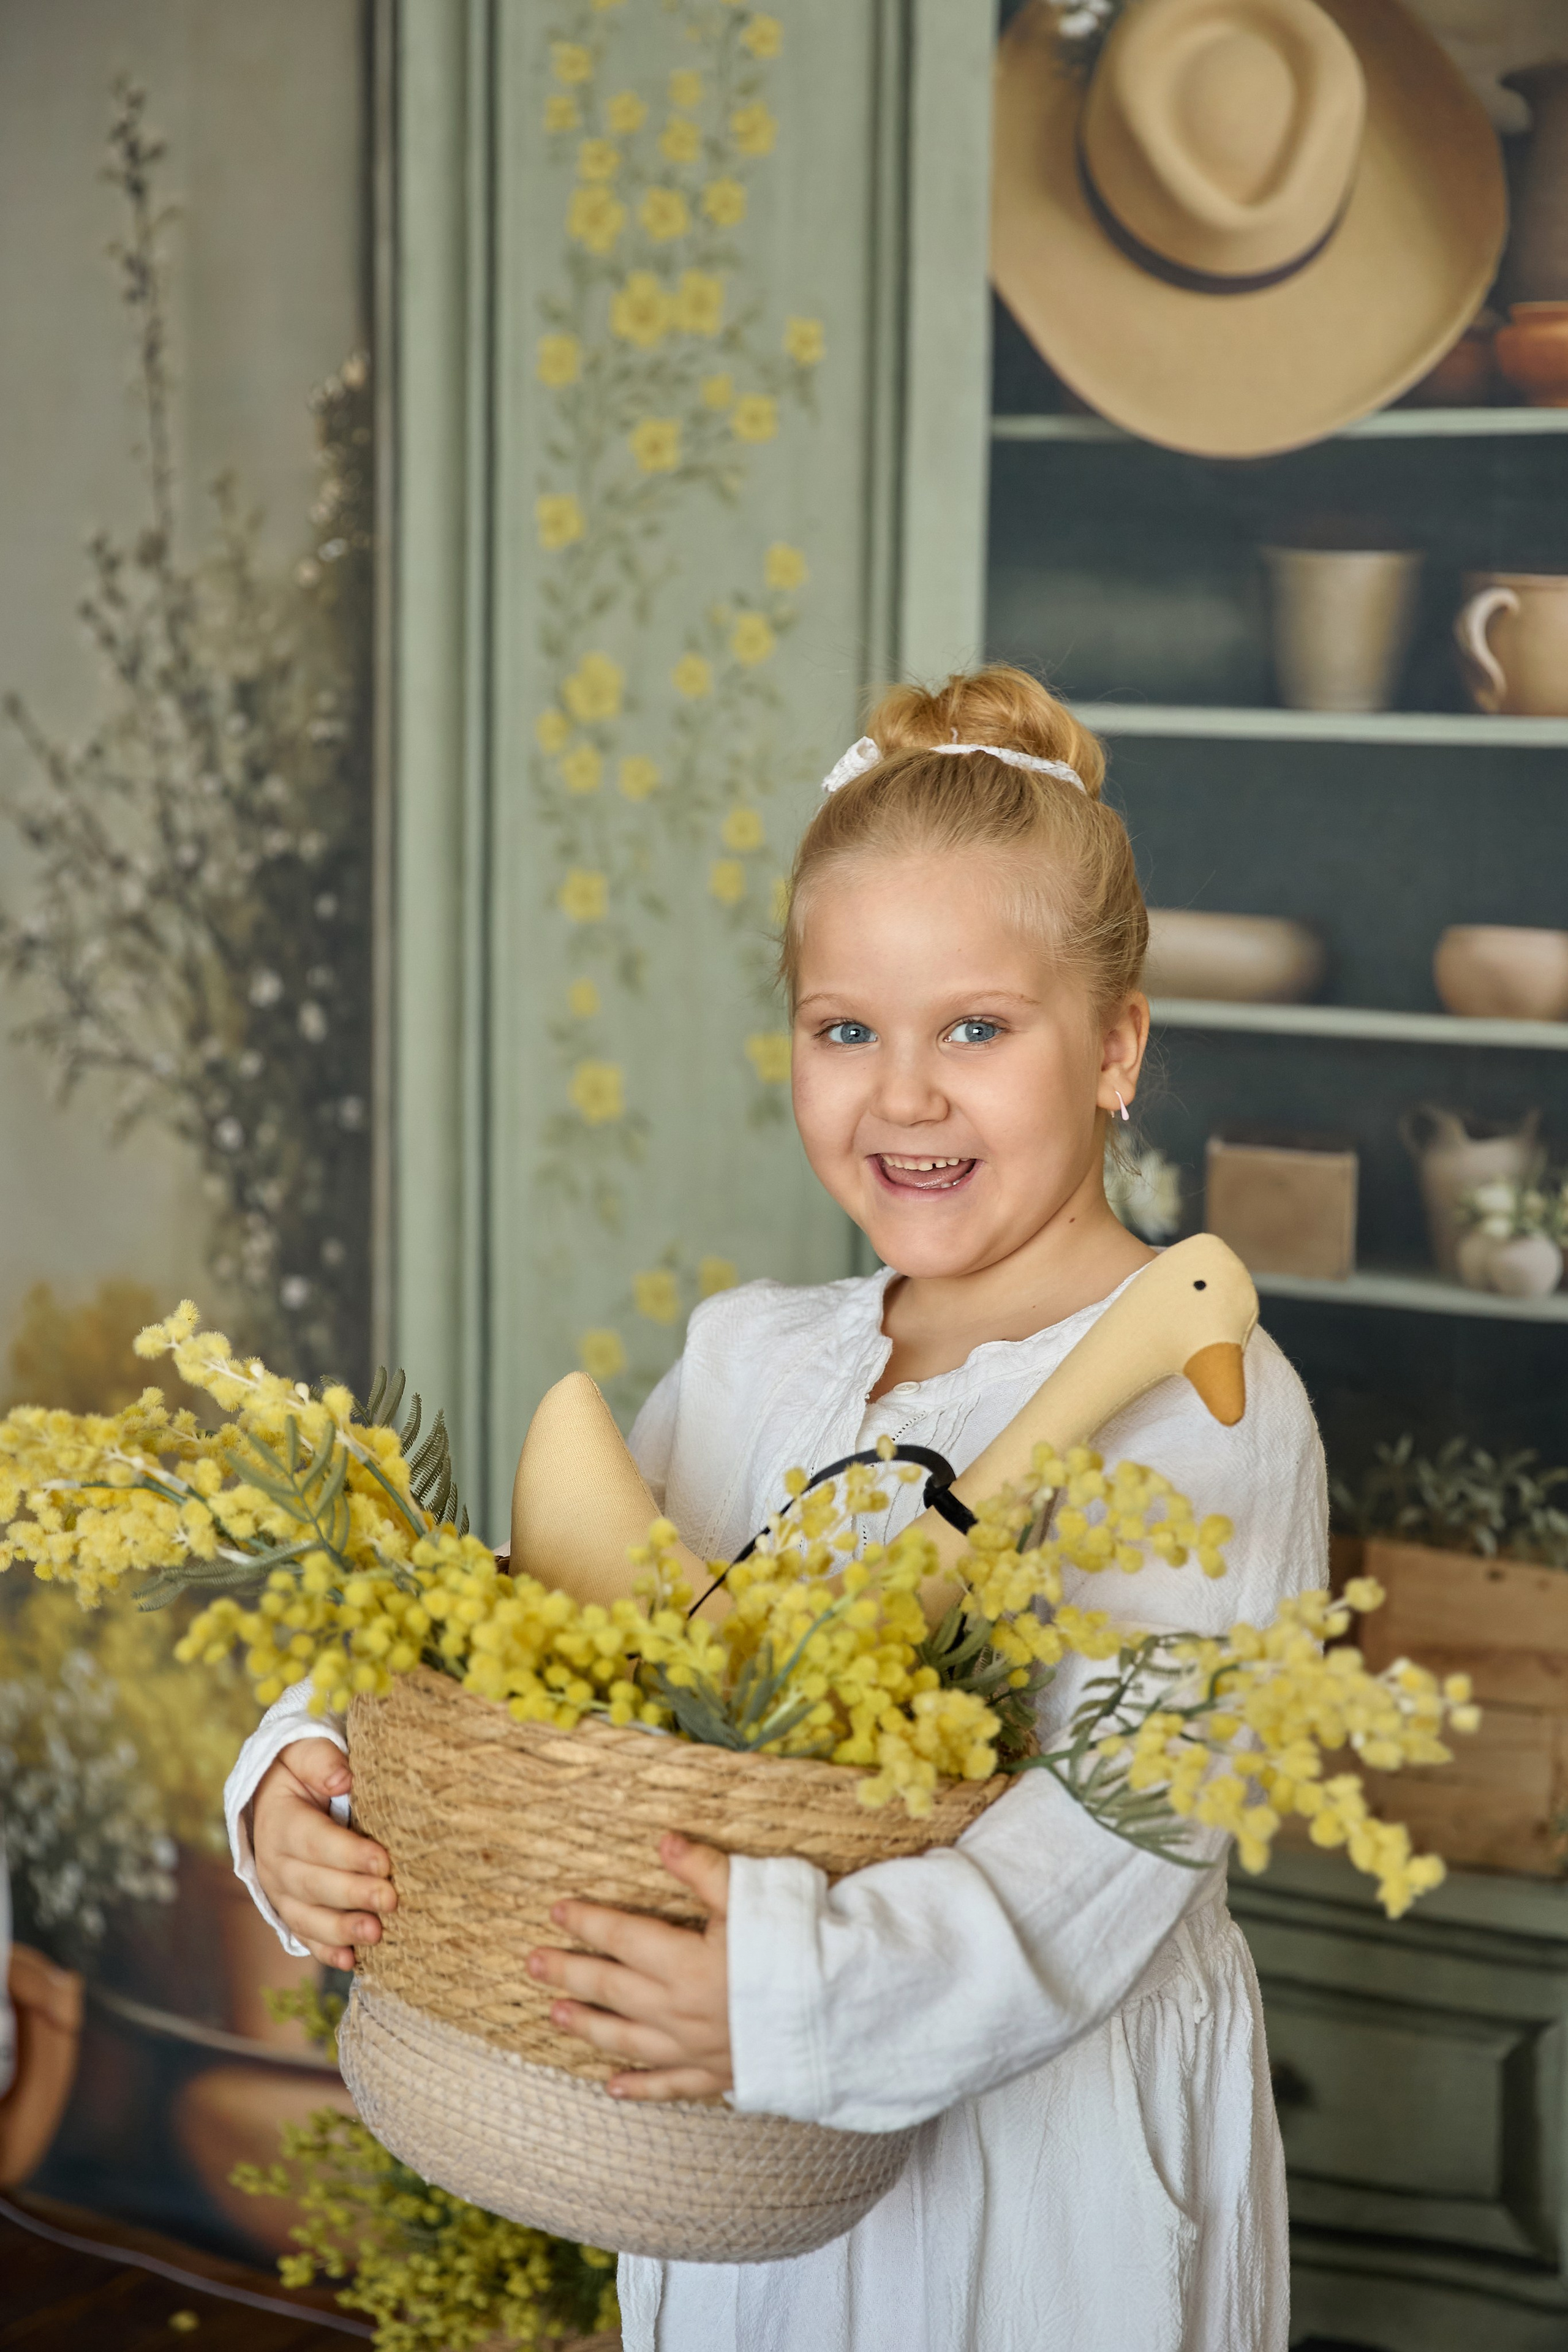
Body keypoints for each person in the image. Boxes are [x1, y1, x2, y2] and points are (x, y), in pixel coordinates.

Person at [226, 665, 1325, 2352]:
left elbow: (1111, 1848)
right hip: (731, 2165)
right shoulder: (752, 1364)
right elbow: (542, 1650)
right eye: (845, 1030)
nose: (903, 1094)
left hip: (1040, 2185)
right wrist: (315, 1768)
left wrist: (783, 1999)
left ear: (1116, 1047)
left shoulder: (1204, 1409)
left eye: (977, 1026)